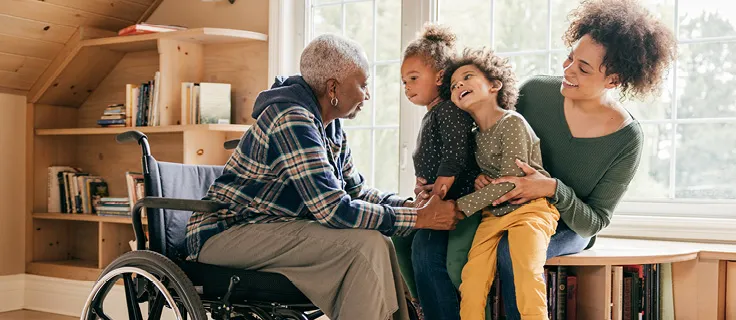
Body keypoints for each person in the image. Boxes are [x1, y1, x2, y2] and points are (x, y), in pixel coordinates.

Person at [414, 0, 677, 318]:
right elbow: (483, 145)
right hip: (500, 205)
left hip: (564, 226)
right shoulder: (535, 92)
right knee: (426, 240)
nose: (567, 70)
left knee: (513, 252)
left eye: (583, 68)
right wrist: (442, 181)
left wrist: (551, 188)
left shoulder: (626, 139)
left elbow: (593, 221)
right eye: (570, 58)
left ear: (614, 80)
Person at [185, 34, 464, 320]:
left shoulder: (329, 126)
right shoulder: (291, 117)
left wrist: (411, 207)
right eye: (363, 84)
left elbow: (355, 192)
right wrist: (421, 219)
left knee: (377, 241)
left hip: (273, 227)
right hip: (226, 235)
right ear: (333, 87)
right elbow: (332, 209)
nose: (367, 95)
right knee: (364, 245)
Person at [442, 47, 560, 320]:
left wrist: (457, 208)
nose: (458, 84)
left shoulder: (512, 122)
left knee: (527, 274)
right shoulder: (472, 135)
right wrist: (476, 179)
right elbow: (480, 175)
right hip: (493, 215)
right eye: (453, 85)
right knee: (471, 281)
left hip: (529, 210)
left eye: (467, 77)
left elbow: (510, 183)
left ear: (495, 85)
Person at [392, 23, 482, 319]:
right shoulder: (434, 113)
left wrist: (437, 193)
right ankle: (422, 306)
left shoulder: (449, 110)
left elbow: (455, 156)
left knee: (427, 251)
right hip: (437, 199)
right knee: (404, 238)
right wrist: (422, 187)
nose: (407, 87)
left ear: (440, 76)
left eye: (414, 78)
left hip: (455, 201)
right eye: (404, 81)